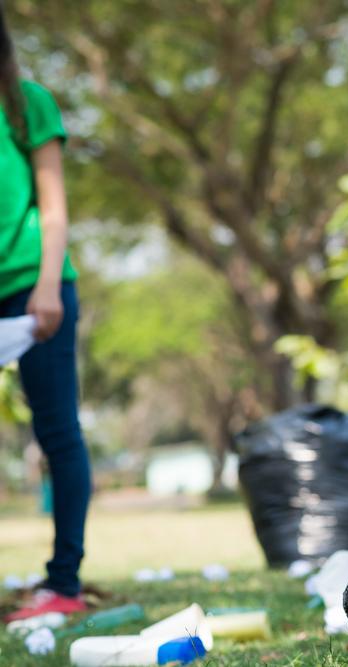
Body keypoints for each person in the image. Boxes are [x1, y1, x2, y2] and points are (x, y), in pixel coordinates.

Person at [1, 3, 91, 621]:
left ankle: (63, 583)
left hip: (35, 292)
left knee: (57, 433)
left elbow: (52, 207)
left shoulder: (25, 102)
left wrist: (49, 285)